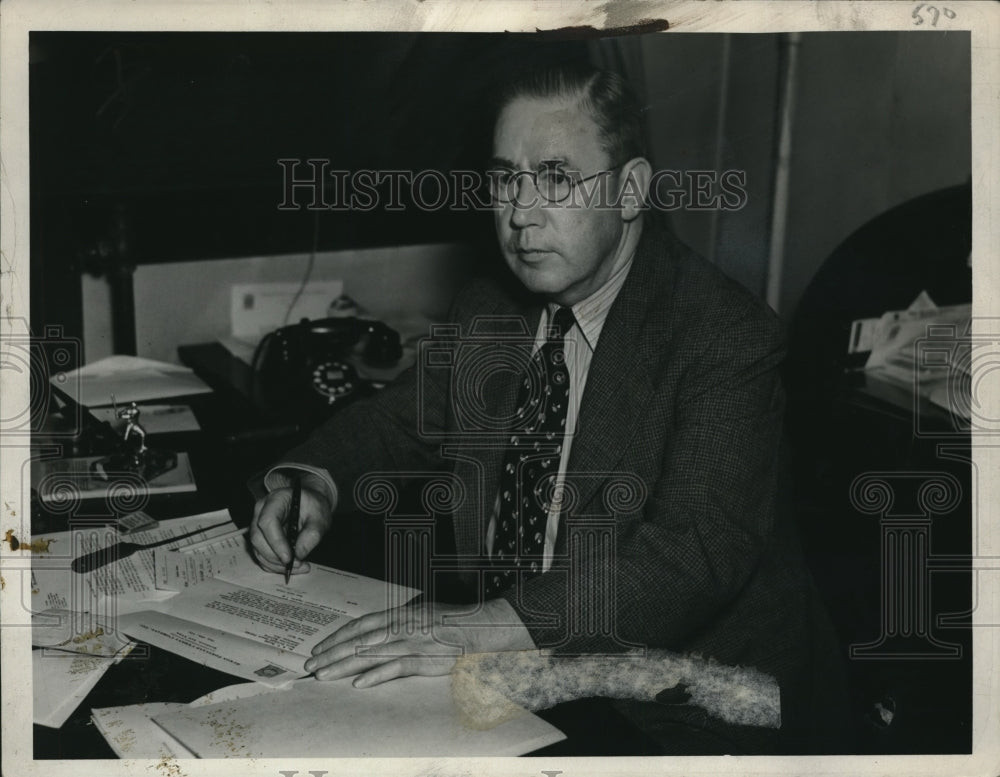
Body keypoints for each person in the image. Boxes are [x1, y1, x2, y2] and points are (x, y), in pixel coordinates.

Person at [249, 63, 848, 754]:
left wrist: (484, 626)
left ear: (630, 190)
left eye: (557, 177)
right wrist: (311, 479)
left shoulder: (723, 336)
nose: (522, 213)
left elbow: (691, 555)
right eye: (506, 178)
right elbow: (400, 419)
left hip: (683, 706)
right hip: (519, 673)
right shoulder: (492, 305)